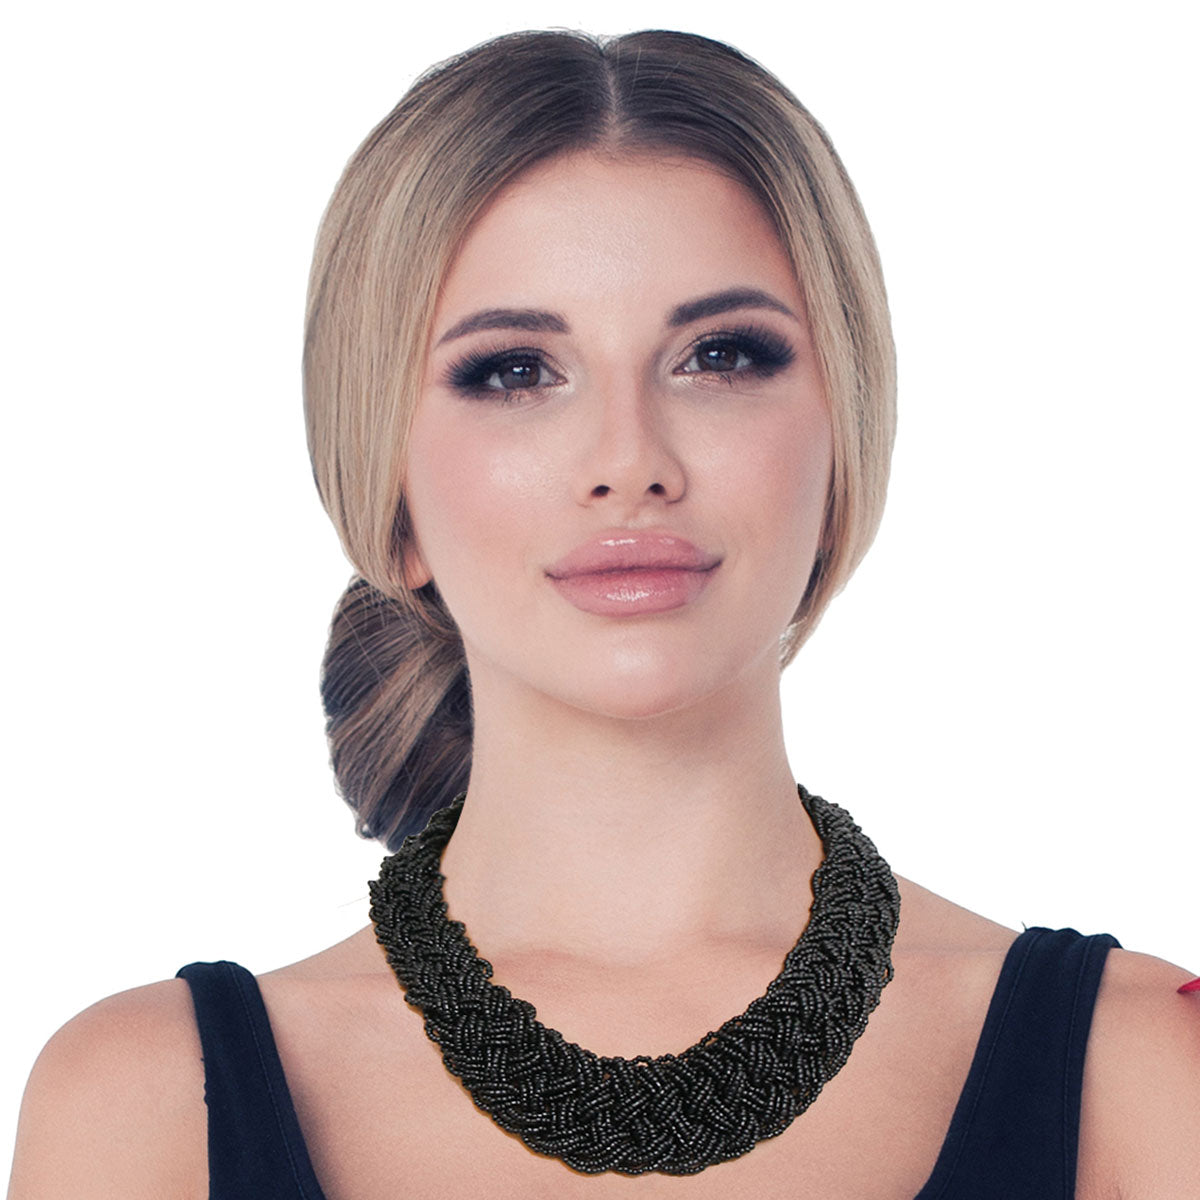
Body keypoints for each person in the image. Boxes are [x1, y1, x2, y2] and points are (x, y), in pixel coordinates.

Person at [9, 27, 1199, 1200]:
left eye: (720, 357)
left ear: (843, 440)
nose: (630, 462)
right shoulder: (137, 1102)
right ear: (391, 490)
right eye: (515, 371)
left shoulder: (1146, 1066)